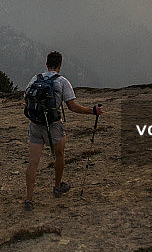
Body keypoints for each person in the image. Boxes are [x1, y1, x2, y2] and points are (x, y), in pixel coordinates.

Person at [24, 51, 102, 211]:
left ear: (46, 64)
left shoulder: (35, 78)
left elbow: (26, 98)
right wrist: (92, 111)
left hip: (35, 125)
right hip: (53, 126)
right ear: (60, 65)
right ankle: (57, 186)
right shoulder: (62, 82)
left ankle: (29, 199)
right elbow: (72, 106)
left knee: (33, 162)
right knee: (59, 155)